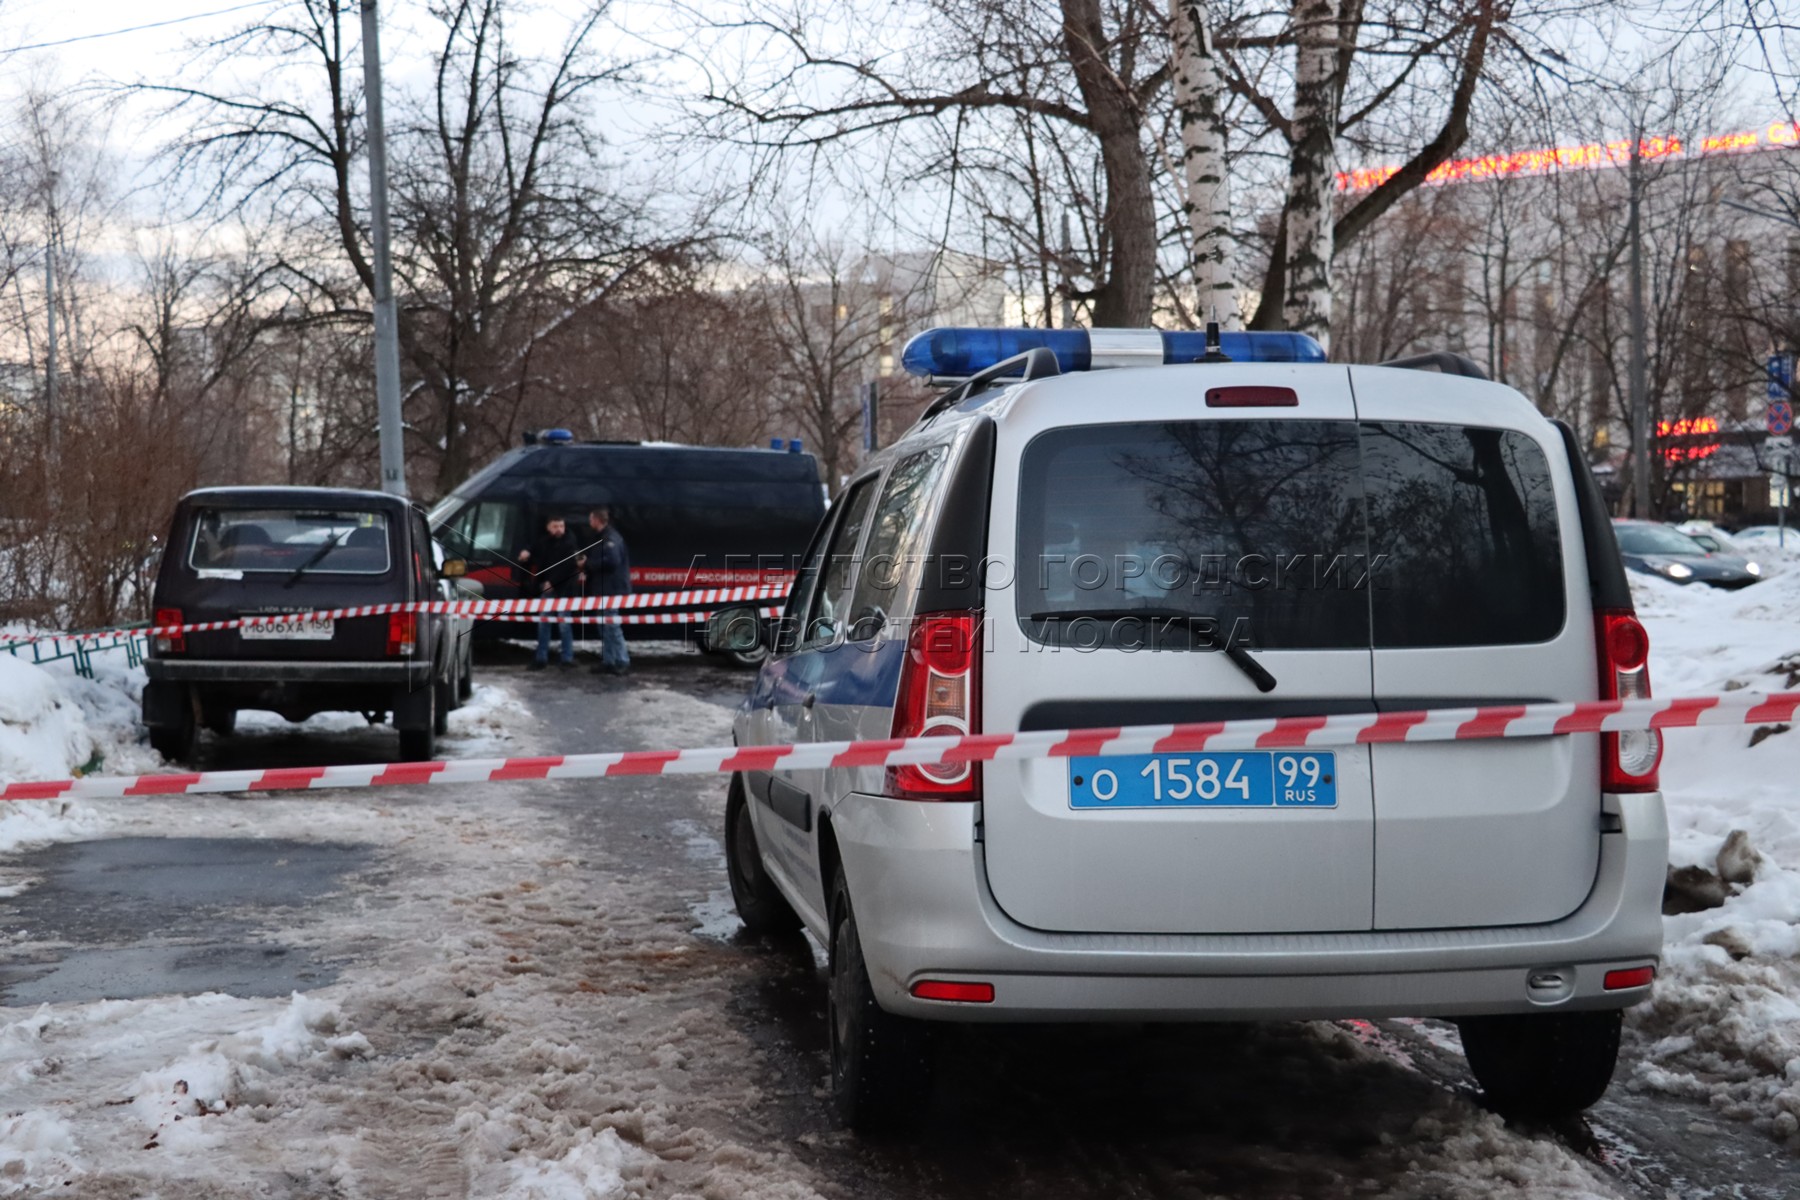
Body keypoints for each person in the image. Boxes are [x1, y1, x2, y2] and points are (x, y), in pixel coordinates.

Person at [516, 515, 582, 669]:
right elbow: (535, 549)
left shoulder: (570, 542)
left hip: (564, 589)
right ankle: (541, 658)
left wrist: (552, 582)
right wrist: (526, 553)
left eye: (561, 526)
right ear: (548, 527)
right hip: (548, 587)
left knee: (564, 623)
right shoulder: (545, 541)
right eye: (555, 526)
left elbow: (567, 566)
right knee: (544, 622)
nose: (559, 529)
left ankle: (567, 658)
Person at [583, 507, 632, 675]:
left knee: (612, 626)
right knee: (604, 627)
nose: (589, 523)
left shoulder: (611, 538)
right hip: (603, 588)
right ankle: (609, 661)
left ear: (597, 520)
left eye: (591, 519)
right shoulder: (602, 537)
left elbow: (612, 562)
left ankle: (622, 660)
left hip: (611, 589)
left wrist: (588, 564)